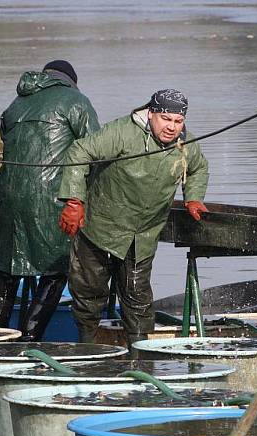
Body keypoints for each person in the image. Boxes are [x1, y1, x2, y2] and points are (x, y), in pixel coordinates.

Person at [58, 89, 209, 349]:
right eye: (165, 119)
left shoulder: (186, 145)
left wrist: (192, 197)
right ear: (151, 114)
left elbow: (198, 168)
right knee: (89, 293)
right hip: (100, 226)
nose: (172, 127)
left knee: (138, 298)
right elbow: (79, 151)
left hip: (143, 234)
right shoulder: (122, 133)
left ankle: (140, 356)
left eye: (178, 121)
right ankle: (88, 349)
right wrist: (74, 200)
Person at [0, 60, 99, 340]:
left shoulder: (16, 103)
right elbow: (96, 150)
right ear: (70, 81)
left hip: (10, 196)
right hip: (52, 199)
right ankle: (29, 336)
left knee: (9, 267)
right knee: (57, 267)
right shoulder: (76, 101)